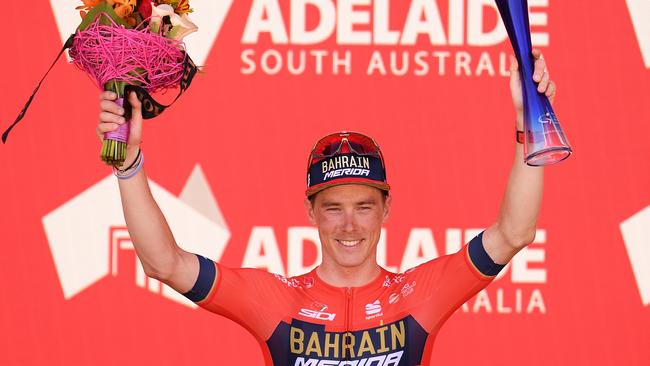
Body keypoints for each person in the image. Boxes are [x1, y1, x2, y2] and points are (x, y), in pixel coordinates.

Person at [96, 50, 556, 366]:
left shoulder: (419, 295)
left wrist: (527, 122)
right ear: (311, 213)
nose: (349, 224)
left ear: (386, 209)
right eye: (333, 207)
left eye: (364, 206)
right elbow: (163, 263)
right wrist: (130, 163)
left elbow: (513, 234)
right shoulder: (275, 300)